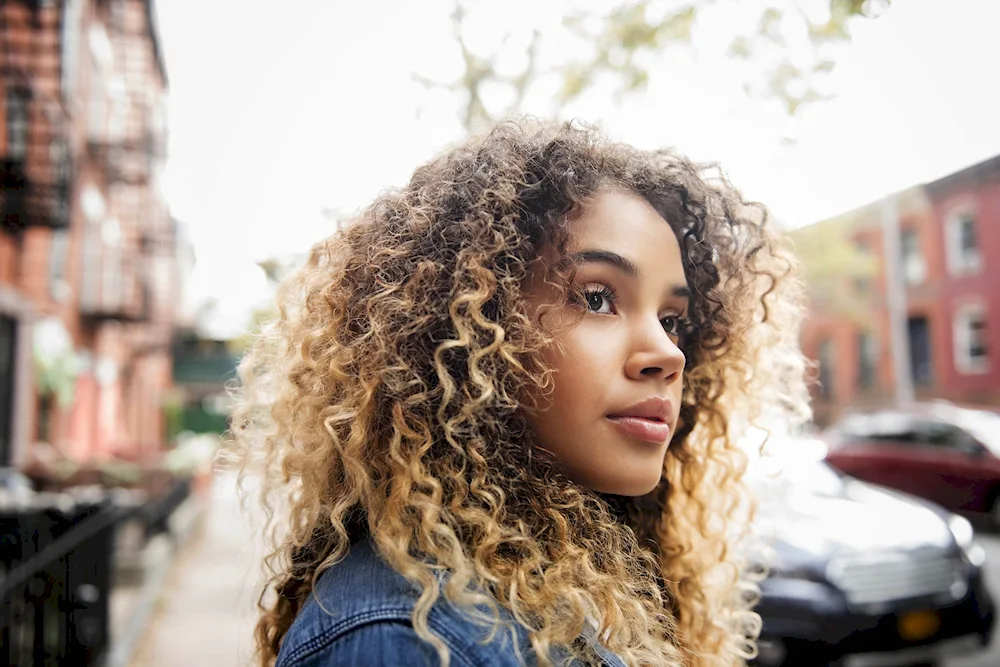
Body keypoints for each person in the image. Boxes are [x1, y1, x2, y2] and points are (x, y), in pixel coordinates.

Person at [228, 119, 810, 667]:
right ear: (469, 331)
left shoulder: (575, 577)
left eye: (673, 319)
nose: (668, 354)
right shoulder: (408, 634)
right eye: (598, 297)